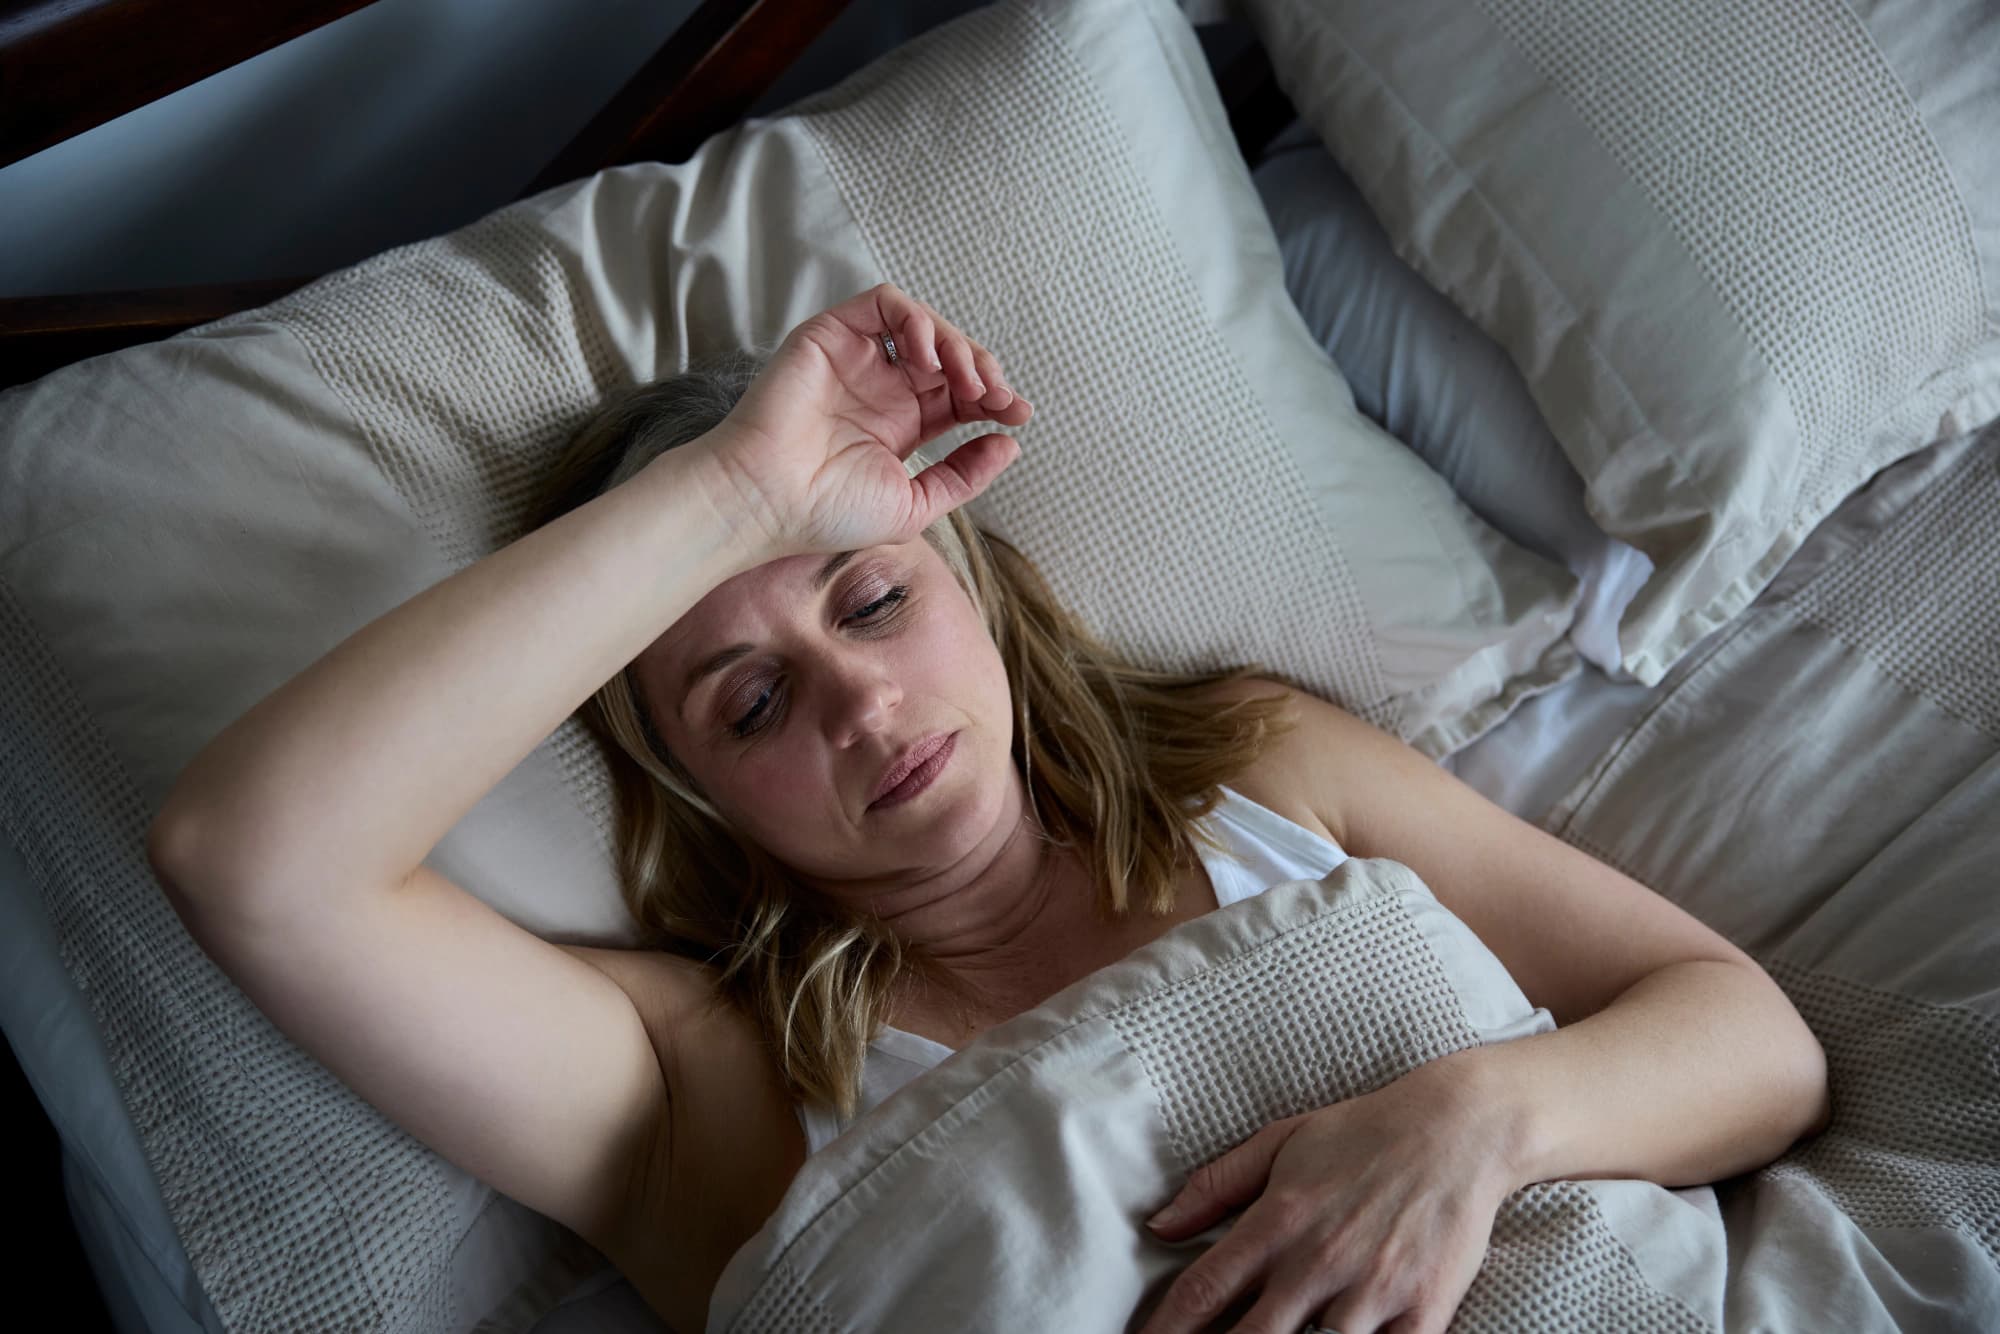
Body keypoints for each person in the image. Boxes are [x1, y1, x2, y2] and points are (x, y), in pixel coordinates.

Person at [148, 284, 1832, 1334]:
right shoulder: (695, 1082)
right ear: (698, 796)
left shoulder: (1255, 766)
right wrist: (733, 494)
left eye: (871, 604)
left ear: (975, 584)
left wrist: (1472, 1122)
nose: (860, 702)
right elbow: (255, 860)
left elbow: (1751, 1041)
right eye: (747, 700)